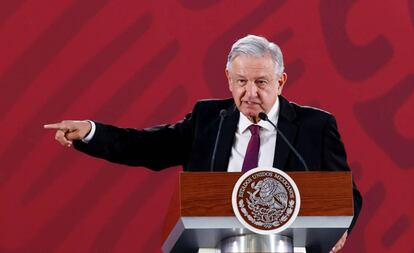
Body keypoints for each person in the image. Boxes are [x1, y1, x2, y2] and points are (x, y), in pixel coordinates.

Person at [45, 35, 362, 252]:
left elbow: (345, 193)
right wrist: (91, 131)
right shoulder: (209, 118)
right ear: (228, 78)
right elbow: (147, 147)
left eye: (261, 82)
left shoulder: (314, 126)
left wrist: (340, 229)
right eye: (241, 82)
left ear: (280, 81)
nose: (250, 93)